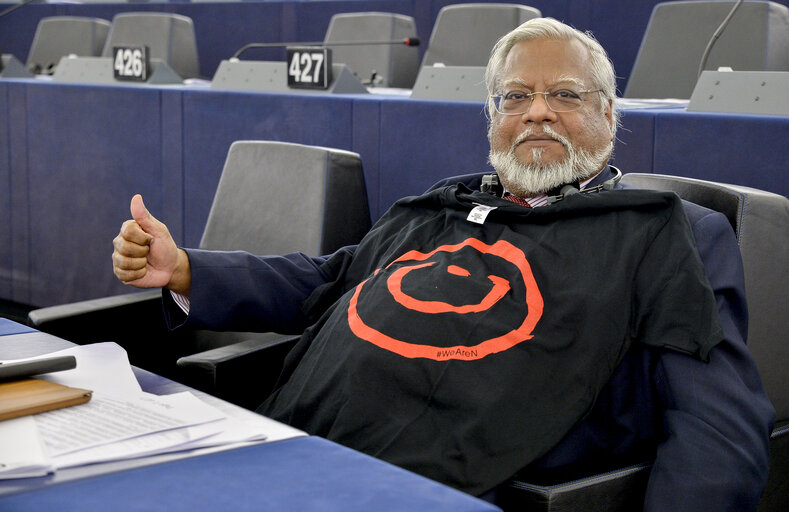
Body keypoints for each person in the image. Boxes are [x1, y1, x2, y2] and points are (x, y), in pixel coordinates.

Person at [112, 18, 774, 511]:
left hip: (463, 485)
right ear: (491, 118)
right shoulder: (439, 209)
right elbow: (327, 282)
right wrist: (184, 271)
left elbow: (716, 428)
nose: (536, 112)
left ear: (608, 114)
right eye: (514, 97)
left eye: (565, 95)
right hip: (305, 455)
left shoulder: (667, 235)